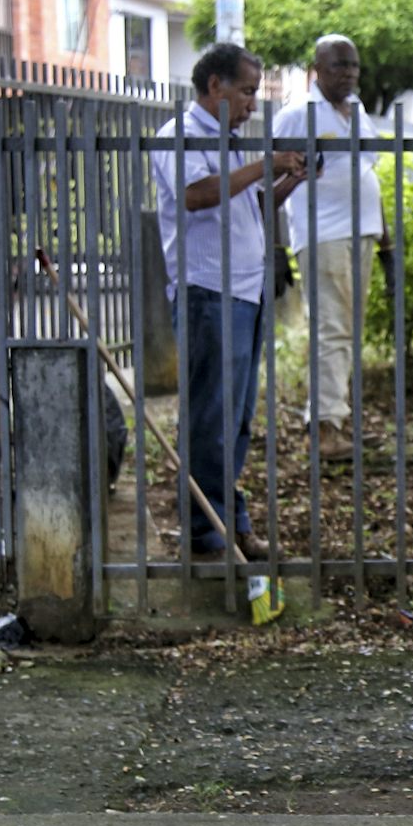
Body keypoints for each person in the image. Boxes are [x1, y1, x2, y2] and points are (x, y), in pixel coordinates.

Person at [151, 43, 306, 624]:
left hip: (246, 290)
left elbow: (249, 206)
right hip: (208, 292)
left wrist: (287, 178)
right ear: (215, 87)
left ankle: (223, 521)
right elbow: (196, 197)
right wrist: (266, 162)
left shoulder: (230, 145)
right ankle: (208, 530)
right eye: (245, 91)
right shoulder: (180, 136)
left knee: (236, 416)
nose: (250, 103)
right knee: (212, 414)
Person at [271, 34, 392, 459]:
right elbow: (270, 185)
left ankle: (336, 418)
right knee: (332, 328)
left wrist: (385, 235)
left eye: (354, 65)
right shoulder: (296, 116)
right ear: (316, 70)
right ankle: (323, 427)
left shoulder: (356, 109)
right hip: (323, 234)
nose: (350, 73)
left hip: (360, 232)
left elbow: (365, 172)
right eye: (340, 65)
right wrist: (275, 247)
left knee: (348, 330)